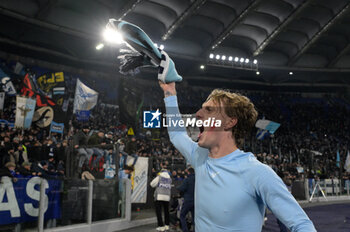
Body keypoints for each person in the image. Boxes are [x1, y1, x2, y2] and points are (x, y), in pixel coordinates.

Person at [159, 81, 316, 231]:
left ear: (229, 123)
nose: (198, 114)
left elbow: (301, 224)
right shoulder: (200, 156)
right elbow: (177, 135)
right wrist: (170, 92)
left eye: (209, 110)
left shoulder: (257, 173)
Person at [177, 168, 195, 232]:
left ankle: (185, 230)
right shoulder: (197, 179)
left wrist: (177, 187)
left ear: (188, 172)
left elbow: (182, 188)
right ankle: (195, 229)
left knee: (182, 215)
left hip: (188, 200)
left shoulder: (187, 179)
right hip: (195, 201)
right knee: (194, 217)